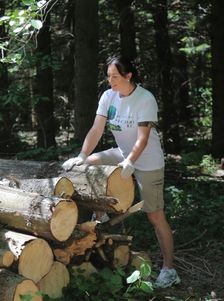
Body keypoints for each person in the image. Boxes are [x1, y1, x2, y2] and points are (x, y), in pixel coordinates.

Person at [62, 56, 180, 289]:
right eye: (108, 76)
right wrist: (82, 155)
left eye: (115, 76)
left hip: (147, 160)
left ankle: (169, 270)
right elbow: (97, 129)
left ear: (128, 76)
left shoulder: (145, 99)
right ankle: (101, 215)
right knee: (89, 166)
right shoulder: (108, 96)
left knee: (155, 216)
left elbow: (143, 139)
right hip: (122, 152)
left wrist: (130, 163)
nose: (110, 81)